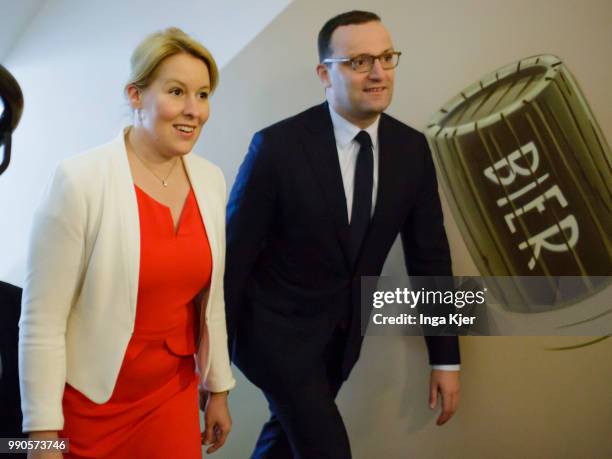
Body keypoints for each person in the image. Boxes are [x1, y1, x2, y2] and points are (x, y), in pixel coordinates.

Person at [226, 10, 461, 459]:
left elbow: (430, 259)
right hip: (270, 336)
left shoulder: (412, 150)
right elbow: (233, 257)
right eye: (359, 61)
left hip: (341, 340)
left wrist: (445, 358)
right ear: (324, 74)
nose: (378, 72)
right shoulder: (276, 147)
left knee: (282, 442)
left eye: (387, 58)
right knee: (327, 448)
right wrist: (213, 362)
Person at [19, 27, 235, 459]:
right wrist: (41, 435)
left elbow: (211, 302)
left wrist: (218, 388)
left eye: (204, 94)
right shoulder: (79, 181)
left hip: (170, 393)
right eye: (177, 92)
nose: (194, 110)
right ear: (136, 95)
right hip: (90, 403)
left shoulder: (211, 180)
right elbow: (42, 320)